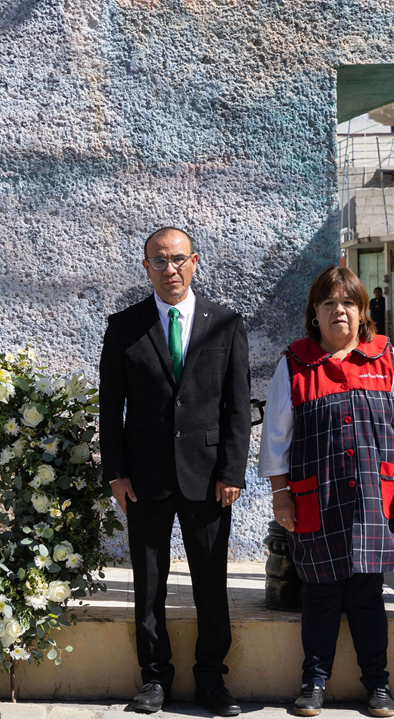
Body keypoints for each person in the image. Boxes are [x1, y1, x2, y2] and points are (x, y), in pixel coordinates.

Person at [258, 266, 394, 718]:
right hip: (318, 497)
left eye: (348, 303)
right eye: (329, 304)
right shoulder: (295, 362)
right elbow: (276, 435)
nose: (339, 312)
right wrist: (280, 494)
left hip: (374, 496)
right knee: (321, 593)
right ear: (315, 312)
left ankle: (378, 685)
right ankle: (314, 682)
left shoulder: (384, 356)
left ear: (362, 310)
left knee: (368, 594)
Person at [99, 227, 251, 716]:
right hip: (144, 479)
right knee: (149, 583)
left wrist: (232, 471)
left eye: (179, 259)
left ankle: (211, 680)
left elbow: (236, 408)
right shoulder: (125, 327)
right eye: (160, 261)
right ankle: (153, 678)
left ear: (195, 261)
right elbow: (110, 408)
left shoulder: (226, 325)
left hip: (209, 480)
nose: (171, 269)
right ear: (147, 268)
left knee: (211, 582)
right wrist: (116, 473)